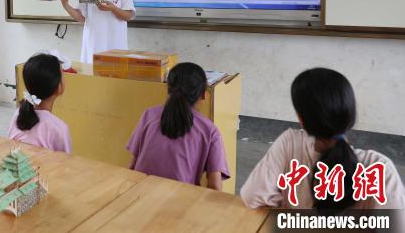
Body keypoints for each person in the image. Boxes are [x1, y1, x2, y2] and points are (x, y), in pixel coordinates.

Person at [241, 68, 405, 216]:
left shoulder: (289, 143)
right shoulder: (380, 168)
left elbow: (252, 197)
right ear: (351, 116)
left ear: (301, 120)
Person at [127, 62, 229, 190]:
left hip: (140, 193)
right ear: (203, 94)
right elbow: (215, 186)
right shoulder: (210, 130)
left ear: (168, 89)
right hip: (181, 198)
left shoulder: (149, 115)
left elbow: (133, 164)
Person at [8, 53, 72, 153]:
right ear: (58, 87)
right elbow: (67, 161)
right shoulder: (59, 128)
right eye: (62, 74)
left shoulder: (18, 114)